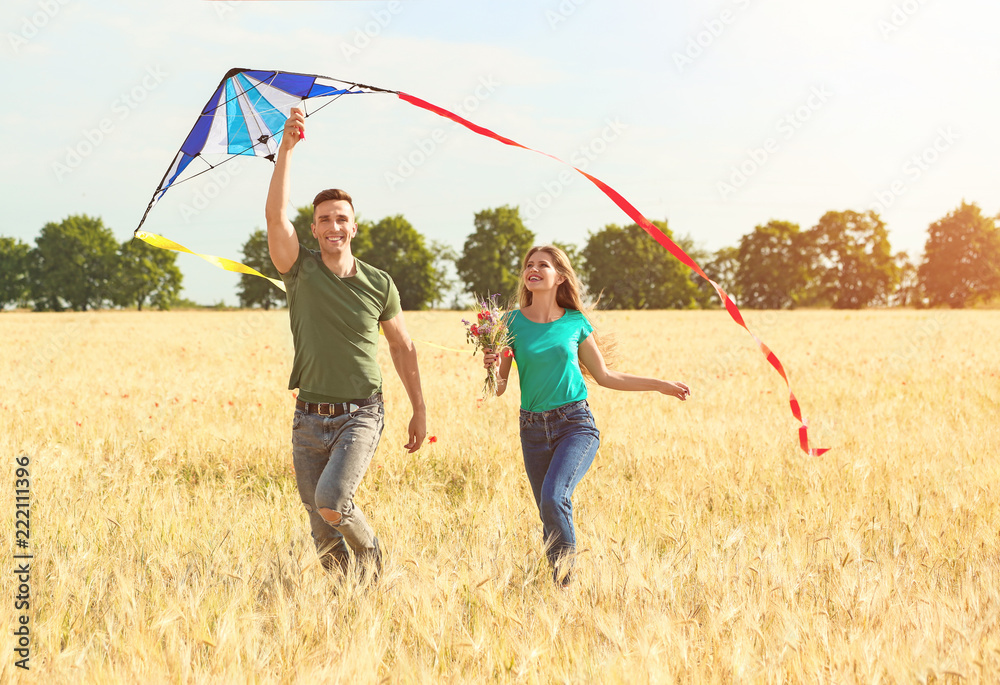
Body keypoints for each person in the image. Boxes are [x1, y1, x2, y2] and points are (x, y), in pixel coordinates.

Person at [265, 107, 426, 578]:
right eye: (324, 220)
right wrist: (286, 150)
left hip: (361, 412)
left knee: (333, 501)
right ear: (313, 230)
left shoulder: (379, 283)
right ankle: (347, 604)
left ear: (354, 227)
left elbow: (403, 347)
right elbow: (276, 216)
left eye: (342, 219)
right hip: (309, 415)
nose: (334, 226)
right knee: (320, 527)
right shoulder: (300, 270)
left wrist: (419, 409)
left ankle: (374, 564)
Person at [484, 245, 690, 587]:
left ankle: (565, 587)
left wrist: (660, 384)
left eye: (543, 265)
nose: (532, 270)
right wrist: (490, 365)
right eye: (528, 265)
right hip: (532, 429)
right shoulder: (510, 322)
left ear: (560, 277)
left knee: (554, 498)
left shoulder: (575, 322)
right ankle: (558, 588)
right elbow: (500, 387)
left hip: (574, 425)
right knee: (548, 514)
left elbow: (607, 376)